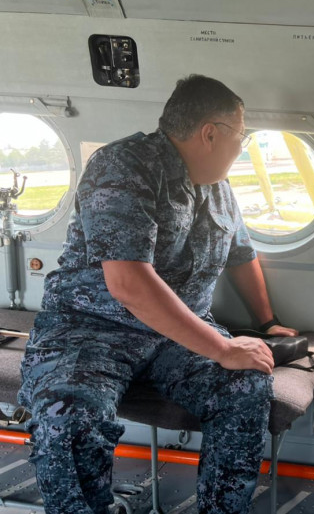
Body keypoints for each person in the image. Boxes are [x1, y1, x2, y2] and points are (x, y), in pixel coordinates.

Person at [18, 74, 297, 514]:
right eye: (241, 136)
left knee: (246, 385)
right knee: (68, 414)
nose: (241, 148)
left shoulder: (219, 188)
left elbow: (241, 255)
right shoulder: (123, 167)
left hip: (176, 337)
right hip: (91, 330)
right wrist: (223, 348)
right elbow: (128, 283)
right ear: (210, 133)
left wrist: (267, 323)